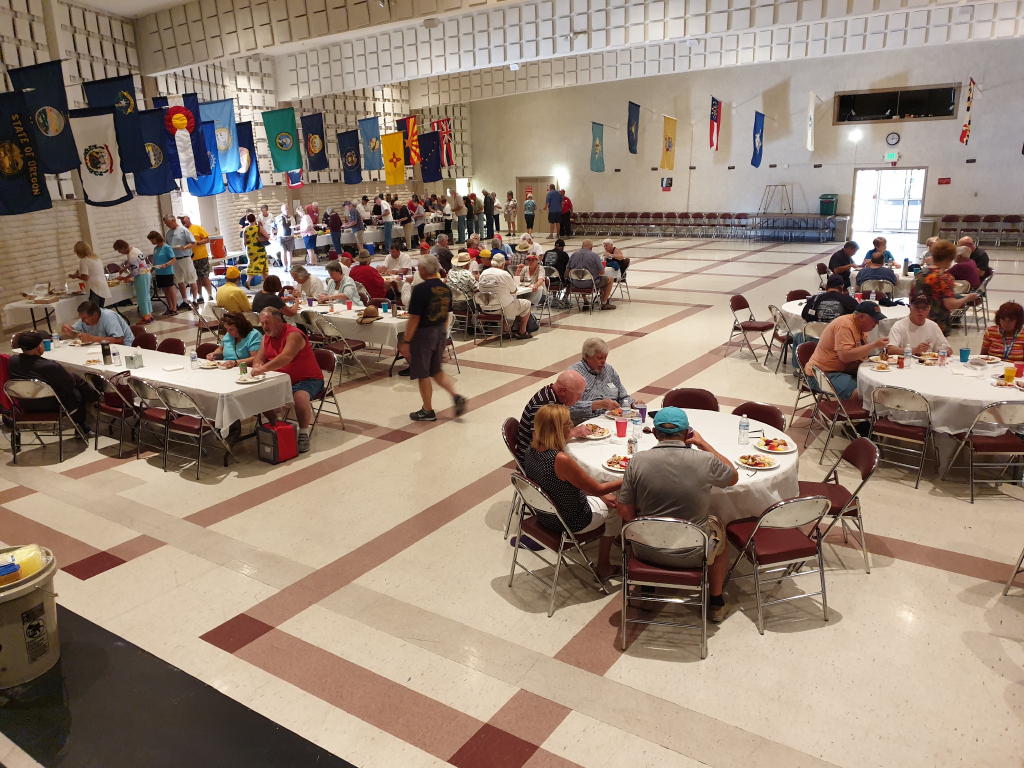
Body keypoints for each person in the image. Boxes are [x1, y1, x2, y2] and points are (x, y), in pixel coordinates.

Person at [616, 406, 738, 621]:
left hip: (645, 549)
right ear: (687, 433)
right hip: (694, 553)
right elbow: (733, 477)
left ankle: (647, 588)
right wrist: (702, 443)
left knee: (634, 524)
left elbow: (625, 511)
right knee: (721, 537)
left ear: (655, 433)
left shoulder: (637, 460)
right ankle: (716, 602)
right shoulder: (705, 460)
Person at [521, 404, 624, 578]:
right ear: (559, 429)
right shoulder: (560, 460)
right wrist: (630, 477)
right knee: (616, 503)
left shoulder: (531, 450)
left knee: (603, 495)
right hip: (573, 522)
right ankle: (604, 565)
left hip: (545, 515)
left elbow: (562, 484)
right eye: (568, 424)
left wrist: (599, 495)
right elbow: (598, 489)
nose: (572, 426)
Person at [397, 254, 467, 421]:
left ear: (422, 269)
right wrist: (443, 334)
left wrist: (406, 341)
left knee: (423, 373)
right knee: (436, 370)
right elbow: (447, 314)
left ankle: (427, 410)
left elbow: (414, 318)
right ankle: (456, 396)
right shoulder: (445, 288)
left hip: (424, 334)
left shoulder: (420, 289)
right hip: (440, 332)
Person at [251, 307, 324, 453]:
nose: (264, 327)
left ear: (279, 321)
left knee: (299, 397)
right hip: (280, 378)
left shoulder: (294, 334)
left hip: (308, 379)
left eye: (267, 323)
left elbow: (286, 357)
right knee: (258, 392)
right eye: (262, 323)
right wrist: (257, 365)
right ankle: (276, 425)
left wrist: (262, 369)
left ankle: (303, 433)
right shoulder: (266, 337)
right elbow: (259, 357)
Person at [9, 331, 98, 432]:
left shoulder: (12, 361)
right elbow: (69, 385)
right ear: (39, 348)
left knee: (74, 381)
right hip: (53, 406)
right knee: (78, 388)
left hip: (26, 404)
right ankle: (83, 424)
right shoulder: (50, 366)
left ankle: (93, 401)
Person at [804, 302, 889, 400]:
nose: (877, 323)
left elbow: (858, 353)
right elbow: (845, 357)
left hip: (844, 370)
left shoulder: (861, 328)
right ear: (861, 317)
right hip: (822, 374)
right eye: (874, 320)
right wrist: (874, 345)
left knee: (876, 383)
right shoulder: (844, 325)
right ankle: (852, 408)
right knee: (863, 393)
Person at [910, 239, 978, 334]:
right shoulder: (945, 278)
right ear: (948, 259)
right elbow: (950, 304)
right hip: (937, 324)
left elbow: (911, 297)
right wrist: (967, 298)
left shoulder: (920, 274)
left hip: (917, 320)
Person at [517, 370, 590, 458]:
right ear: (563, 391)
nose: (579, 399)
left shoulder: (553, 395)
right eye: (578, 395)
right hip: (533, 459)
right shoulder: (543, 404)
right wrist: (573, 432)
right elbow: (540, 444)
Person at [569, 337, 630, 423]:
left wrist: (632, 404)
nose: (603, 362)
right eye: (599, 358)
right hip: (587, 423)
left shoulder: (609, 370)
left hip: (613, 420)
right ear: (587, 356)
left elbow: (624, 397)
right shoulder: (574, 375)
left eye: (605, 358)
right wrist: (598, 404)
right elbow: (568, 408)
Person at [477, 253, 533, 339]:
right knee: (527, 304)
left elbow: (480, 289)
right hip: (502, 309)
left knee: (504, 300)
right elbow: (514, 290)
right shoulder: (504, 274)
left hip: (484, 308)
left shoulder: (483, 273)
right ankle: (522, 332)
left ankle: (506, 330)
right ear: (503, 264)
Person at [61, 301, 135, 346]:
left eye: (84, 318)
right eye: (81, 318)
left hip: (126, 348)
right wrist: (69, 331)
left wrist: (92, 339)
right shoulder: (84, 320)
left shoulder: (109, 317)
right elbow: (74, 332)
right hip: (102, 348)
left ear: (95, 315)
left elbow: (119, 340)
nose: (82, 321)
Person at [568, 239, 615, 310]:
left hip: (575, 284)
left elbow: (567, 271)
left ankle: (585, 301)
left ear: (582, 246)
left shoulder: (573, 255)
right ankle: (604, 302)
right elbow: (602, 272)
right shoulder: (594, 256)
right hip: (591, 284)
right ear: (591, 247)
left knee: (581, 276)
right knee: (610, 279)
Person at [113, 240, 153, 323]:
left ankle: (146, 317)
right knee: (146, 295)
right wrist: (124, 268)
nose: (120, 253)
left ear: (123, 248)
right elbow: (134, 263)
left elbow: (135, 272)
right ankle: (149, 315)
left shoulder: (132, 256)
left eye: (119, 250)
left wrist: (125, 278)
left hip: (141, 276)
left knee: (141, 297)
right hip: (146, 273)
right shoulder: (135, 249)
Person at [164, 214, 198, 306]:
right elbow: (167, 246)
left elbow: (193, 243)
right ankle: (185, 300)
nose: (167, 225)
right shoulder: (168, 233)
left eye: (168, 223)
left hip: (185, 257)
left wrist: (184, 247)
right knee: (180, 280)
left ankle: (195, 300)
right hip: (175, 259)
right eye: (166, 224)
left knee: (191, 279)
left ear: (173, 221)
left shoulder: (183, 230)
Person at [181, 215, 214, 302]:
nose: (183, 222)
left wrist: (197, 243)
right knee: (195, 279)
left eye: (184, 220)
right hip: (190, 258)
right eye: (181, 221)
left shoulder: (197, 228)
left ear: (188, 219)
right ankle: (200, 296)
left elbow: (207, 239)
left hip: (201, 257)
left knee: (204, 277)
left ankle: (210, 295)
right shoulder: (183, 231)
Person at [67, 241, 111, 308]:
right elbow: (93, 272)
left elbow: (85, 277)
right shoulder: (96, 258)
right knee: (100, 309)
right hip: (103, 286)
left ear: (80, 252)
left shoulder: (84, 260)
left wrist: (75, 276)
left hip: (95, 288)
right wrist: (80, 273)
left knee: (93, 310)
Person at [147, 230, 179, 315]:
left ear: (157, 238)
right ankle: (170, 307)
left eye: (152, 239)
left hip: (167, 272)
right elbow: (155, 261)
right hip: (159, 273)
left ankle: (175, 307)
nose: (151, 241)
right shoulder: (156, 248)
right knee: (165, 291)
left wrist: (166, 264)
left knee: (170, 289)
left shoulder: (166, 247)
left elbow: (174, 259)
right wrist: (151, 270)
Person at [242, 213, 269, 288]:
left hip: (250, 250)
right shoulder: (258, 228)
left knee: (252, 265)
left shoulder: (245, 229)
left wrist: (247, 249)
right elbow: (267, 237)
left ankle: (249, 281)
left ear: (247, 220)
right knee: (261, 265)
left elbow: (245, 242)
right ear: (255, 219)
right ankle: (266, 283)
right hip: (259, 249)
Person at [275, 204, 295, 270]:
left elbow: (294, 226)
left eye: (288, 208)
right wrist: (272, 234)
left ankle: (289, 266)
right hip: (281, 237)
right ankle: (285, 267)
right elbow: (273, 227)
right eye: (285, 209)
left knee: (290, 252)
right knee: (283, 251)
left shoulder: (292, 217)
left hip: (290, 237)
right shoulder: (278, 218)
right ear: (282, 210)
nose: (287, 210)